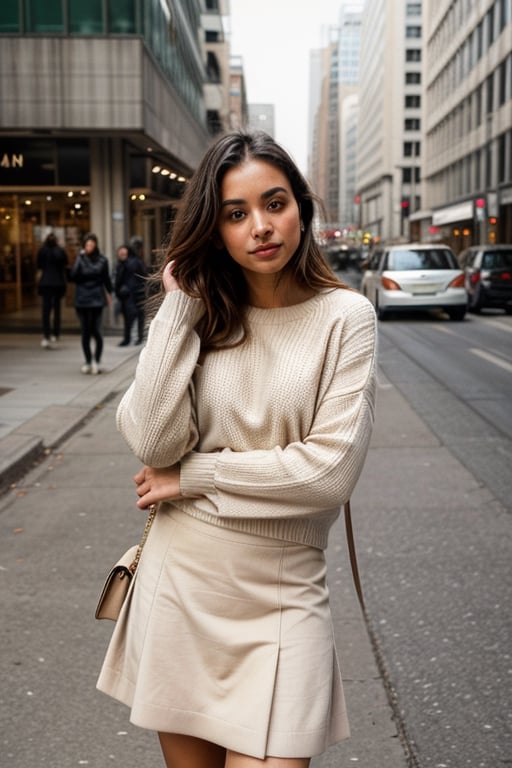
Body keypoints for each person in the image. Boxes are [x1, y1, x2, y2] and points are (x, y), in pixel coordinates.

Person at [97, 130, 377, 768]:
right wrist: (177, 312)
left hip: (283, 593)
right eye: (236, 214)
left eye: (275, 203)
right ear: (215, 229)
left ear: (300, 207)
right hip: (184, 585)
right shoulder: (202, 314)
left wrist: (195, 475)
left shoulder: (346, 317)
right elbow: (148, 440)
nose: (261, 226)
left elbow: (329, 473)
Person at [70, 233, 112, 374]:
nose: (89, 247)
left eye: (92, 245)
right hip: (82, 300)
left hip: (96, 299)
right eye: (87, 245)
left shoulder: (102, 260)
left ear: (96, 246)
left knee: (97, 331)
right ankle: (88, 361)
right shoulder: (80, 259)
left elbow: (106, 278)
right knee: (85, 332)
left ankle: (97, 361)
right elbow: (73, 276)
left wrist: (110, 293)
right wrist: (79, 257)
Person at [36, 232, 68, 348]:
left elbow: (39, 266)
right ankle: (55, 333)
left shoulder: (42, 250)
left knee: (46, 311)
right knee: (57, 310)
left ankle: (46, 334)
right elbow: (65, 265)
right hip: (57, 283)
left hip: (46, 283)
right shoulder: (60, 251)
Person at [114, 243, 147, 346]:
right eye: (120, 254)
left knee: (132, 317)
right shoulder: (125, 264)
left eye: (123, 253)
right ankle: (136, 338)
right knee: (135, 317)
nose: (121, 255)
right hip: (132, 294)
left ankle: (132, 338)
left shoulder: (130, 263)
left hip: (132, 294)